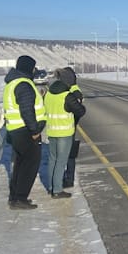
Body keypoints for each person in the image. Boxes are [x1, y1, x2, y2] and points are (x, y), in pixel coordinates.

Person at [3, 55, 46, 210]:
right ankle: (21, 198)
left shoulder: (12, 83)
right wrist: (35, 131)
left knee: (20, 164)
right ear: (28, 68)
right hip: (25, 131)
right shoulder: (24, 84)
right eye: (33, 68)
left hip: (15, 130)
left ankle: (15, 197)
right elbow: (27, 110)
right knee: (30, 165)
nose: (35, 71)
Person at [44, 66, 86, 198]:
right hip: (64, 132)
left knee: (52, 159)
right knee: (61, 161)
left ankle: (51, 186)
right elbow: (80, 111)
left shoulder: (49, 94)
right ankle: (57, 189)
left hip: (51, 131)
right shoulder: (67, 96)